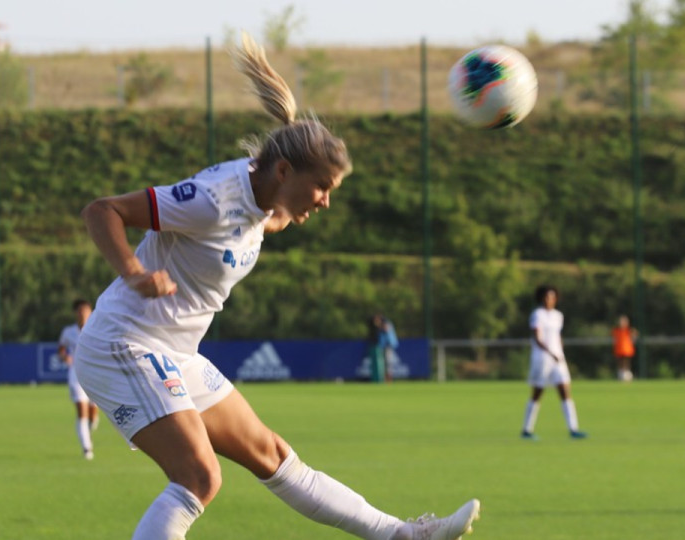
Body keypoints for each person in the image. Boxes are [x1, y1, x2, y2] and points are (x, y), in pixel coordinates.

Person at [73, 32, 480, 540]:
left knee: (272, 453)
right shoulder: (211, 199)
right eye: (322, 188)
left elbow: (263, 219)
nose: (325, 202)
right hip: (123, 344)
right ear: (284, 170)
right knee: (198, 477)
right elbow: (102, 210)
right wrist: (134, 271)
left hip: (174, 351)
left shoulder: (270, 206)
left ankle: (404, 535)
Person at [520, 284, 587, 440]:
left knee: (565, 390)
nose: (549, 300)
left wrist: (560, 352)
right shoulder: (538, 314)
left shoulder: (558, 315)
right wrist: (550, 352)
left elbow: (557, 336)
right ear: (541, 298)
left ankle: (573, 428)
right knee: (537, 393)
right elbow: (538, 338)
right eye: (546, 297)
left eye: (552, 297)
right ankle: (527, 429)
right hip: (542, 358)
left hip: (558, 359)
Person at [58, 298, 99, 460]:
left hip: (95, 374)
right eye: (80, 311)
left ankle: (88, 430)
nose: (83, 314)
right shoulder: (68, 332)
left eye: (86, 310)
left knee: (93, 417)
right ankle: (87, 448)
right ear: (76, 313)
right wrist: (65, 357)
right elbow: (61, 348)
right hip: (76, 374)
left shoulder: (97, 328)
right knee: (81, 412)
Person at [611, 314, 638, 382]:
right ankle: (620, 375)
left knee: (626, 363)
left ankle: (627, 375)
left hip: (627, 349)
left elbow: (635, 334)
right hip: (619, 349)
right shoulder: (617, 330)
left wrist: (633, 338)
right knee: (620, 363)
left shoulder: (629, 330)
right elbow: (613, 337)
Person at [379, 315, 399, 383]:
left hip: (388, 346)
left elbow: (386, 330)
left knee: (388, 363)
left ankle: (388, 379)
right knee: (385, 364)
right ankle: (386, 378)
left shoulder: (387, 324)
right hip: (385, 346)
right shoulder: (386, 325)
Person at [366, 314, 385, 383]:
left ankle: (379, 379)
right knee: (375, 364)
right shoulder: (373, 326)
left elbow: (384, 320)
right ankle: (375, 379)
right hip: (373, 345)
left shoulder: (379, 327)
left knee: (379, 363)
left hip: (378, 345)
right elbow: (369, 319)